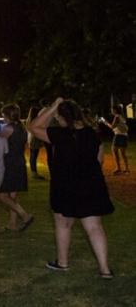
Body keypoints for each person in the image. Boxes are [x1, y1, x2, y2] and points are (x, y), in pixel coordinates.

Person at [29, 98, 114, 278]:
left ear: (61, 117)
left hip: (65, 185)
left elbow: (34, 127)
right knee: (94, 227)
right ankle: (105, 269)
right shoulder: (93, 134)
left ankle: (63, 263)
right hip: (90, 184)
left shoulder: (59, 134)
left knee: (63, 224)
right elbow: (99, 161)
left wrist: (53, 106)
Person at [0, 104, 32, 231]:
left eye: (3, 115)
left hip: (9, 163)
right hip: (19, 162)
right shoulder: (21, 128)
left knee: (1, 195)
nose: (2, 117)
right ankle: (12, 224)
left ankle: (25, 215)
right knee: (12, 195)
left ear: (7, 115)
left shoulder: (8, 128)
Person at [103, 105, 130, 175]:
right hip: (124, 135)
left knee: (114, 150)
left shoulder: (117, 116)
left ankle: (118, 168)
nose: (112, 111)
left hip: (119, 135)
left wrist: (104, 122)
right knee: (123, 153)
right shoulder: (122, 116)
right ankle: (126, 169)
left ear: (115, 110)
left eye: (113, 109)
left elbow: (112, 127)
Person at [25, 106, 46, 179]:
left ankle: (33, 172)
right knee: (34, 155)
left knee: (32, 155)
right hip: (35, 139)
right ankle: (34, 172)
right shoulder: (35, 120)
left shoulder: (28, 120)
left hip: (30, 139)